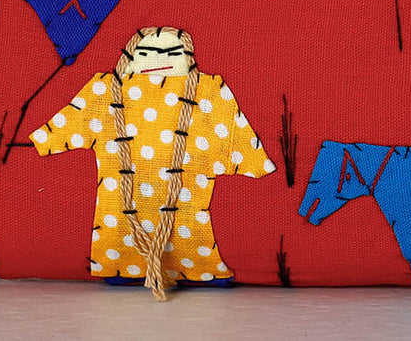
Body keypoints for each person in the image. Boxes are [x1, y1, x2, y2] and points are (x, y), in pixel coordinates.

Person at [30, 27, 276, 300]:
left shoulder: (207, 91)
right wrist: (37, 142)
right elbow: (63, 128)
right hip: (121, 207)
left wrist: (256, 164)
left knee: (188, 223)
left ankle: (192, 267)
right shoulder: (107, 89)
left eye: (170, 53)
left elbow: (237, 138)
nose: (158, 58)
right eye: (146, 53)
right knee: (120, 224)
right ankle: (123, 266)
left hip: (188, 199)